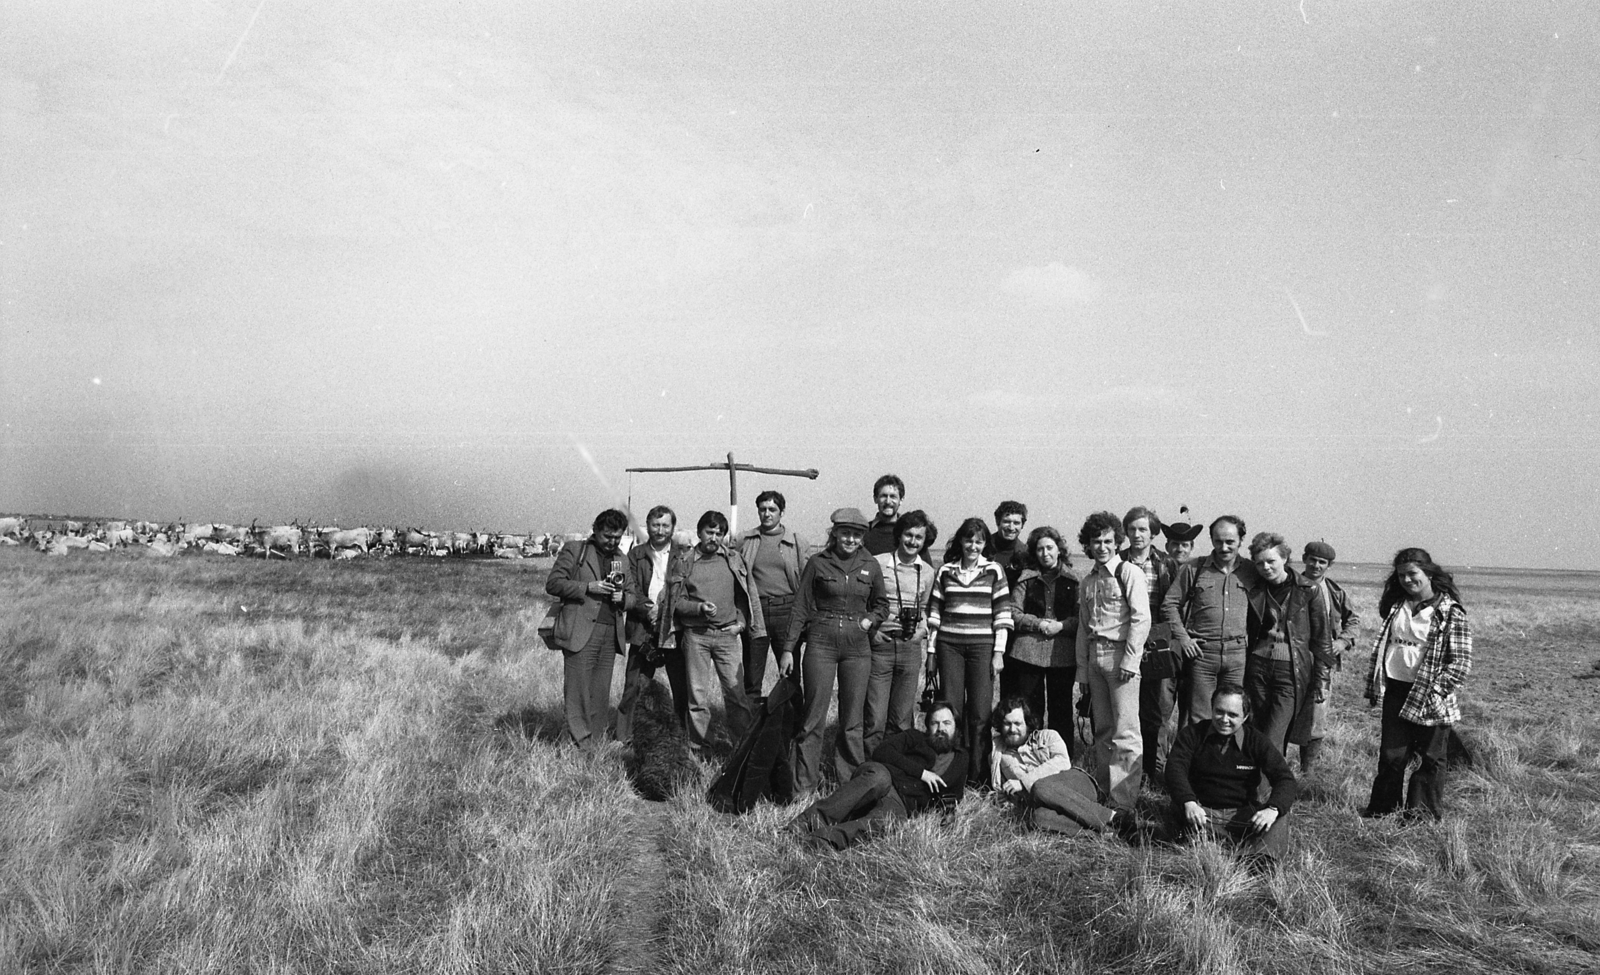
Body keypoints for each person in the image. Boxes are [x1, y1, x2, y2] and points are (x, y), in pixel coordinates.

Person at [788, 507, 892, 795]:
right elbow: (800, 607)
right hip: (821, 642)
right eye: (845, 533)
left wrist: (871, 619)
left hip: (857, 648)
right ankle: (803, 787)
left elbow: (882, 604)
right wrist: (787, 648)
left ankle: (849, 787)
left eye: (856, 535)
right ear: (834, 533)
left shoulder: (871, 565)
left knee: (852, 721)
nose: (850, 539)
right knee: (813, 718)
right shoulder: (817, 563)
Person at [1363, 547, 1472, 821]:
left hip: (1429, 693)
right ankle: (1383, 810)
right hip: (1396, 689)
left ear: (1429, 573)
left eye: (1413, 574)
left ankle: (1421, 816)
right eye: (1401, 575)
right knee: (1392, 755)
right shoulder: (1397, 605)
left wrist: (1436, 691)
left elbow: (1460, 663)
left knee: (1430, 758)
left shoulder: (1450, 612)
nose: (1407, 580)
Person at [789, 701, 967, 851]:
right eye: (935, 723)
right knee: (879, 779)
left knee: (888, 822)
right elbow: (882, 751)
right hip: (882, 775)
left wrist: (947, 814)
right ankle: (804, 823)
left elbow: (954, 795)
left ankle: (822, 840)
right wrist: (922, 774)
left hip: (902, 802)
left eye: (946, 723)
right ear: (928, 727)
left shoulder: (960, 759)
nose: (940, 728)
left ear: (956, 726)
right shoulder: (914, 737)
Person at [669, 510, 766, 756]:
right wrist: (698, 608)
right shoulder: (685, 561)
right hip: (696, 637)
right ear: (699, 532)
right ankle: (700, 748)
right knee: (697, 697)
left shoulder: (733, 560)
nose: (714, 537)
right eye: (709, 532)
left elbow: (743, 596)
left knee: (736, 695)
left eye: (719, 533)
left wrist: (741, 623)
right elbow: (676, 602)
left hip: (726, 637)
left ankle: (742, 750)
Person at [1166, 684, 1298, 864]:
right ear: (1212, 709)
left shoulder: (1256, 740)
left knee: (1280, 814)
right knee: (1178, 810)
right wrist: (1188, 801)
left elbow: (1285, 779)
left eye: (1233, 715)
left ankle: (1257, 860)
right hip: (1201, 814)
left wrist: (1272, 809)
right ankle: (1216, 848)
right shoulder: (1192, 734)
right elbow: (1175, 769)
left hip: (1242, 817)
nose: (1224, 719)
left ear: (1245, 717)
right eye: (1219, 712)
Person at [1074, 511, 1150, 811]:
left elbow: (1141, 618)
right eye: (1096, 541)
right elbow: (1083, 628)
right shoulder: (1088, 581)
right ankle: (1105, 793)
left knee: (1125, 732)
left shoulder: (1129, 572)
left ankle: (1123, 802)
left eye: (1108, 541)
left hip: (1121, 658)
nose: (1102, 547)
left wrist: (1131, 659)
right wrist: (1083, 671)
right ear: (1088, 545)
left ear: (1118, 542)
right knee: (1103, 730)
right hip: (1096, 658)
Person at [929, 517, 1014, 781]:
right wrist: (931, 654)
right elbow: (934, 615)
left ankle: (978, 776)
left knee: (980, 713)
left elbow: (1002, 615)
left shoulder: (994, 571)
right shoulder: (945, 571)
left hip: (982, 648)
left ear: (985, 544)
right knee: (950, 711)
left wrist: (998, 653)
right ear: (960, 542)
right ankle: (951, 773)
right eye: (968, 541)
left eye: (979, 541)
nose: (973, 546)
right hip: (949, 647)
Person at [545, 508, 639, 749]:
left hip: (610, 633)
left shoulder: (622, 558)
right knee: (578, 692)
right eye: (607, 536)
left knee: (600, 692)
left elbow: (633, 596)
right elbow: (553, 583)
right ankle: (580, 745)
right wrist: (588, 587)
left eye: (617, 537)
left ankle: (595, 743)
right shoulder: (575, 550)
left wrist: (622, 599)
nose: (612, 542)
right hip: (581, 631)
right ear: (595, 530)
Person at [991, 696, 1137, 839]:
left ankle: (1114, 817)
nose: (1012, 729)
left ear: (1027, 724)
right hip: (1047, 803)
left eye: (1018, 723)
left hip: (1077, 787)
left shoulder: (1048, 736)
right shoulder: (998, 754)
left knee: (1040, 786)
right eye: (1007, 723)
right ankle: (1113, 834)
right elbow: (1000, 788)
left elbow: (1062, 762)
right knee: (1038, 817)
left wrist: (1023, 782)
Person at [1243, 532, 1335, 760]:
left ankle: (1267, 783)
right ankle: (1263, 778)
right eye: (1259, 563)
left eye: (1271, 561)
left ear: (1284, 558)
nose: (1266, 567)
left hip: (1291, 671)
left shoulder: (1308, 590)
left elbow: (1322, 639)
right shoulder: (1254, 589)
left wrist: (1321, 680)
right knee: (1257, 729)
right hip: (1257, 668)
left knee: (1274, 734)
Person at [1162, 515, 1259, 728]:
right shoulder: (1194, 568)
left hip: (1237, 655)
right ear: (1211, 540)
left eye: (1230, 542)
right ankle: (1199, 751)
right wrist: (1184, 639)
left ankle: (1225, 751)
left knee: (1232, 714)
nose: (1224, 547)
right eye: (1218, 541)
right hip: (1202, 655)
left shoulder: (1252, 570)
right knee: (1200, 718)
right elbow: (1169, 605)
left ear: (1241, 540)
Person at [1002, 526, 1080, 761]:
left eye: (1050, 548)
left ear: (1059, 549)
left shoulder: (1073, 580)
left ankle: (1061, 761)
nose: (1045, 553)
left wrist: (1061, 626)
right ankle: (1028, 759)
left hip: (1062, 655)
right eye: (1040, 549)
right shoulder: (1026, 579)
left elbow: (1081, 617)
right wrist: (1038, 624)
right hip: (1027, 653)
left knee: (1061, 711)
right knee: (1030, 710)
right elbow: (1013, 612)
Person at [867, 510, 937, 757]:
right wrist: (872, 631)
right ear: (899, 535)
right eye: (908, 535)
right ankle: (871, 768)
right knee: (875, 717)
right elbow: (864, 601)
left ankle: (896, 767)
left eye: (919, 537)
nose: (913, 541)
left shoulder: (927, 572)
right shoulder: (877, 563)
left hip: (910, 649)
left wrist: (922, 630)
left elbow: (926, 608)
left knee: (902, 718)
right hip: (881, 647)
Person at [617, 505, 688, 744]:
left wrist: (667, 612)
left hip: (674, 628)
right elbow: (630, 587)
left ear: (673, 528)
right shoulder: (635, 555)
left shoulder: (683, 555)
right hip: (643, 627)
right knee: (634, 685)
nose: (660, 530)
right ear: (647, 526)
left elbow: (687, 587)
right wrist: (649, 610)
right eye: (655, 525)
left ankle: (680, 735)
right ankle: (625, 736)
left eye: (665, 525)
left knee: (680, 686)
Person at [1123, 506, 1179, 784]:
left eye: (1143, 529)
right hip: (1125, 639)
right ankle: (1128, 770)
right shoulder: (1118, 561)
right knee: (1127, 708)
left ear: (1153, 533)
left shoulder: (1167, 564)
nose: (1137, 534)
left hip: (1158, 641)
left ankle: (1155, 771)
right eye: (1132, 529)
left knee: (1157, 709)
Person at [737, 490, 808, 699]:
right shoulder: (746, 540)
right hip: (756, 611)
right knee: (752, 677)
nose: (767, 514)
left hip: (786, 611)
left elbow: (806, 579)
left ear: (781, 512)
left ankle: (793, 719)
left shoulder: (796, 541)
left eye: (772, 509)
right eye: (763, 509)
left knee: (790, 674)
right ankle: (753, 719)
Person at [1298, 540, 1360, 773]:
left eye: (1322, 562)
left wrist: (1342, 642)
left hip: (1322, 663)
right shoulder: (1291, 585)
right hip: (1293, 659)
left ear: (1329, 565)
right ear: (1304, 559)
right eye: (1312, 560)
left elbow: (1353, 620)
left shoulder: (1335, 592)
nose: (1316, 565)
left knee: (1317, 714)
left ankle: (1308, 772)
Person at [984, 500, 1029, 586]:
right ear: (998, 522)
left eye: (1016, 523)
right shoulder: (982, 548)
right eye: (1006, 522)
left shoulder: (1026, 554)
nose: (1011, 528)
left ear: (1022, 525)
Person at [863, 474, 905, 556]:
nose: (888, 501)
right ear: (875, 499)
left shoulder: (909, 534)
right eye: (884, 496)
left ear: (901, 500)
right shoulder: (863, 533)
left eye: (893, 496)